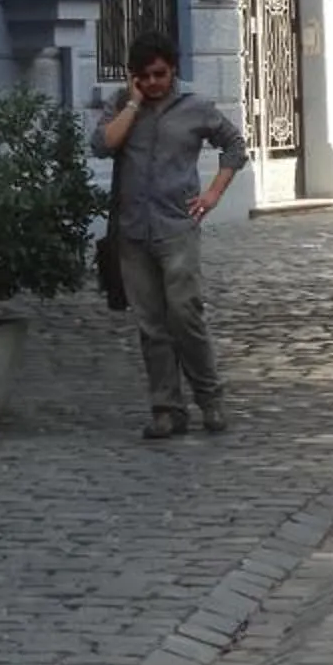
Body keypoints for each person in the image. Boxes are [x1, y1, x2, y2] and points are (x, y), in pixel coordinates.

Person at [91, 30, 247, 441]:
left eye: (159, 73)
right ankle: (166, 409)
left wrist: (213, 193)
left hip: (176, 228)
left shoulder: (195, 107)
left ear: (173, 68)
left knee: (185, 315)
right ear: (133, 77)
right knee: (151, 325)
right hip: (132, 232)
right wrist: (134, 103)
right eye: (144, 76)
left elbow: (234, 146)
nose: (154, 82)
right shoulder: (123, 105)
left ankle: (210, 399)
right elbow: (102, 145)